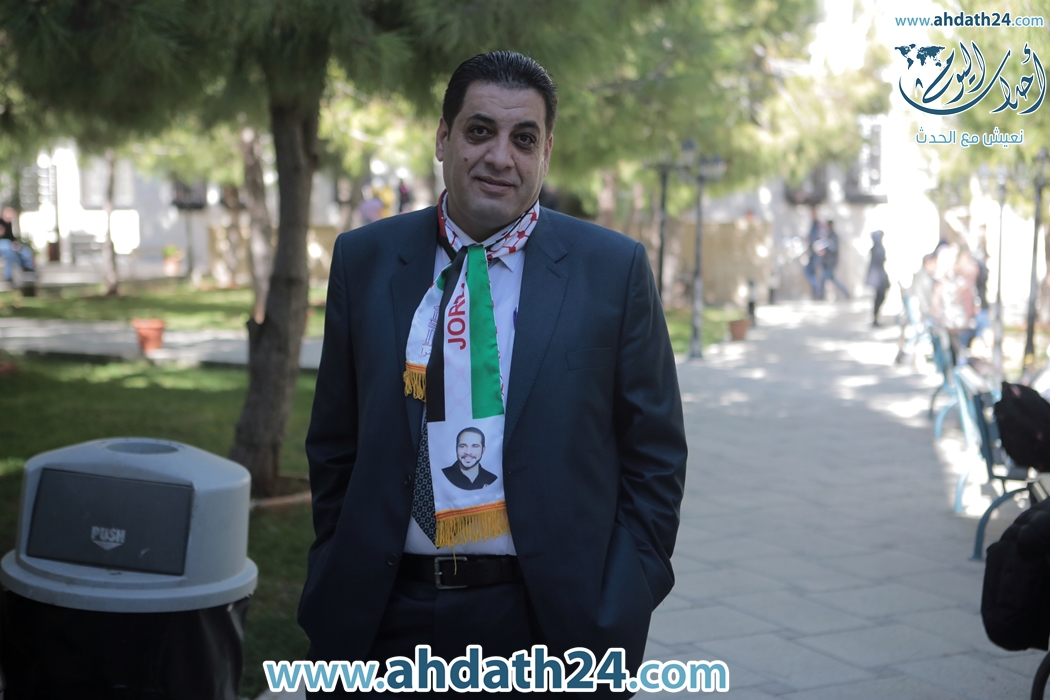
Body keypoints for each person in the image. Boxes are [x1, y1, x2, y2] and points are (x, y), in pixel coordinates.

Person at [300, 51, 687, 696]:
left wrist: (625, 596)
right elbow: (333, 444)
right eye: (479, 131)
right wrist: (333, 564)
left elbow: (656, 457)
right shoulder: (364, 261)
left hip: (552, 628)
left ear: (546, 152)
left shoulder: (612, 271)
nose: (500, 156)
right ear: (443, 138)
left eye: (523, 138)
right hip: (382, 622)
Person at [819, 220, 850, 300]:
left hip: (830, 262)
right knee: (831, 279)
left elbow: (833, 248)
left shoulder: (833, 236)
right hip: (827, 262)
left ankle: (821, 296)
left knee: (824, 279)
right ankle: (846, 293)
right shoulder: (827, 235)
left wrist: (825, 248)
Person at [866, 230, 890, 326]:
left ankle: (876, 317)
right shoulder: (877, 249)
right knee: (879, 297)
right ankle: (875, 318)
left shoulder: (877, 248)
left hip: (879, 275)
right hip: (878, 277)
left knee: (880, 297)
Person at [803, 209, 823, 299]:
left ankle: (817, 291)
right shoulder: (814, 225)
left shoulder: (817, 226)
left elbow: (817, 239)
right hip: (812, 253)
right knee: (811, 272)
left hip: (815, 254)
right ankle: (816, 291)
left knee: (810, 271)